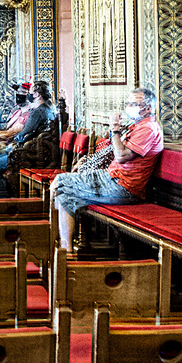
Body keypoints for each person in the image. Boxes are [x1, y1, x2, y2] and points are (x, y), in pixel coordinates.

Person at [50, 85, 165, 252]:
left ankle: (49, 237)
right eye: (129, 103)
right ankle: (65, 250)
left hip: (123, 187)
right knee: (65, 195)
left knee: (60, 181)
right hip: (111, 178)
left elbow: (121, 156)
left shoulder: (148, 129)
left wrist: (115, 129)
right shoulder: (137, 126)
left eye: (133, 104)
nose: (129, 107)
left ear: (147, 108)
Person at [0, 79, 54, 190]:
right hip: (37, 149)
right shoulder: (50, 108)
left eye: (30, 91)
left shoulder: (38, 111)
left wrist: (14, 139)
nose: (28, 95)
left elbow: (24, 133)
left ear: (37, 94)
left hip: (30, 153)